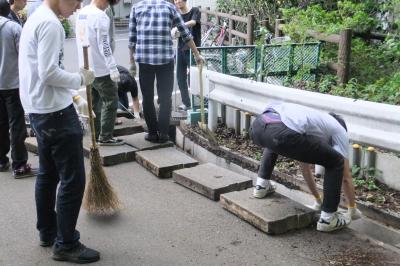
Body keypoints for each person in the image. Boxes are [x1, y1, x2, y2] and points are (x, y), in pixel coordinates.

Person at [18, 0, 100, 263]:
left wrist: (75, 97)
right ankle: (66, 244)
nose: (77, 7)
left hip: (41, 109)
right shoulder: (51, 24)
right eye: (75, 1)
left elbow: (41, 71)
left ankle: (48, 232)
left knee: (48, 173)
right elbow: (48, 73)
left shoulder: (36, 17)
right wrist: (79, 79)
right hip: (55, 113)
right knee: (73, 180)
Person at [250, 102, 352, 232]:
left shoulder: (310, 118)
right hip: (281, 131)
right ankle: (328, 218)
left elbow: (303, 162)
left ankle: (261, 186)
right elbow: (346, 177)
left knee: (274, 140)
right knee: (336, 161)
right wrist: (352, 207)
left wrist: (318, 200)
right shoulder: (339, 129)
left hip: (258, 126)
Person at [129, 0, 204, 143]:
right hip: (165, 60)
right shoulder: (170, 7)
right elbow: (185, 33)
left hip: (144, 60)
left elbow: (132, 38)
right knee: (165, 98)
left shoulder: (136, 8)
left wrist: (131, 62)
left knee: (147, 98)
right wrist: (196, 54)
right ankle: (163, 134)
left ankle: (152, 133)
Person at [76, 0, 124, 146]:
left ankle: (96, 134)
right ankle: (106, 136)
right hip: (101, 69)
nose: (108, 6)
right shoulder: (100, 16)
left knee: (94, 103)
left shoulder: (81, 13)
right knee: (111, 101)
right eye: (108, 3)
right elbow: (105, 45)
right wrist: (113, 68)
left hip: (86, 67)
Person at [0, 0, 36, 178]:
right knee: (17, 125)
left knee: (1, 124)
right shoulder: (13, 28)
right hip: (13, 84)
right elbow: (24, 56)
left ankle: (1, 160)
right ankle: (19, 165)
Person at [172, 0, 201, 111]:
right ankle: (186, 103)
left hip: (193, 49)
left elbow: (193, 22)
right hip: (180, 49)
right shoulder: (176, 14)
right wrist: (174, 31)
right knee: (180, 77)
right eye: (175, 0)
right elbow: (173, 30)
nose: (178, 2)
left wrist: (179, 26)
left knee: (193, 77)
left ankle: (198, 103)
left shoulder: (195, 10)